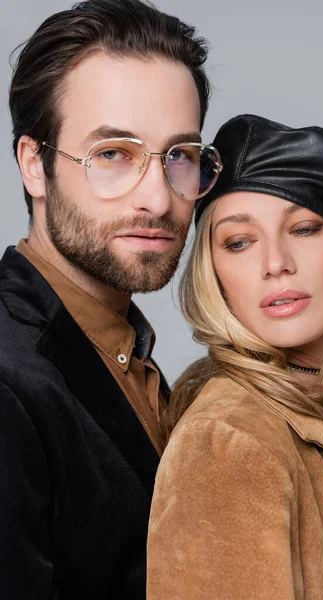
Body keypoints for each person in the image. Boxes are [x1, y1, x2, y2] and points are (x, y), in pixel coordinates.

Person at [0, 0, 223, 597]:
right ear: (34, 165)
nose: (156, 196)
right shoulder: (9, 381)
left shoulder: (128, 350)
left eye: (180, 156)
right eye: (112, 154)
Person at [147, 114, 323, 599]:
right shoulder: (228, 441)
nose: (275, 263)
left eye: (304, 228)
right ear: (214, 273)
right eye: (239, 242)